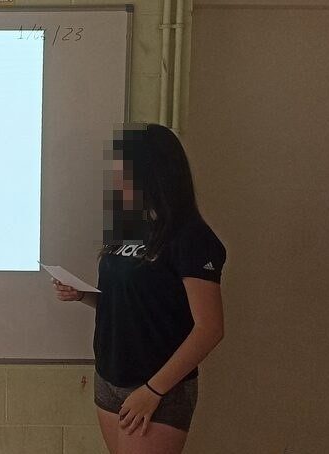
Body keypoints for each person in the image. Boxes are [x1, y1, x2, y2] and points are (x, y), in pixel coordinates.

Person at [54, 124, 225, 454]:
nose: (117, 183)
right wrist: (82, 294)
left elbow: (210, 329)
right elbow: (129, 301)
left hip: (158, 387)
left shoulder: (192, 238)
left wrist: (153, 391)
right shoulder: (129, 227)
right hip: (110, 377)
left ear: (154, 175)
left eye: (125, 175)